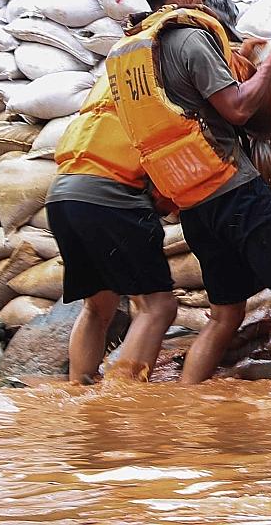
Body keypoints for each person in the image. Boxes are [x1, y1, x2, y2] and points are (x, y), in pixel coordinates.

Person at [105, 0, 271, 386]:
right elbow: (237, 109)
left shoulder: (130, 51)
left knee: (224, 314)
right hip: (232, 189)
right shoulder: (188, 36)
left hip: (192, 198)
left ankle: (187, 409)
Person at [45, 74, 177, 384]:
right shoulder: (172, 66)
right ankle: (120, 398)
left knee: (98, 307)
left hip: (63, 193)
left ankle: (79, 392)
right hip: (110, 195)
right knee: (158, 306)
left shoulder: (118, 74)